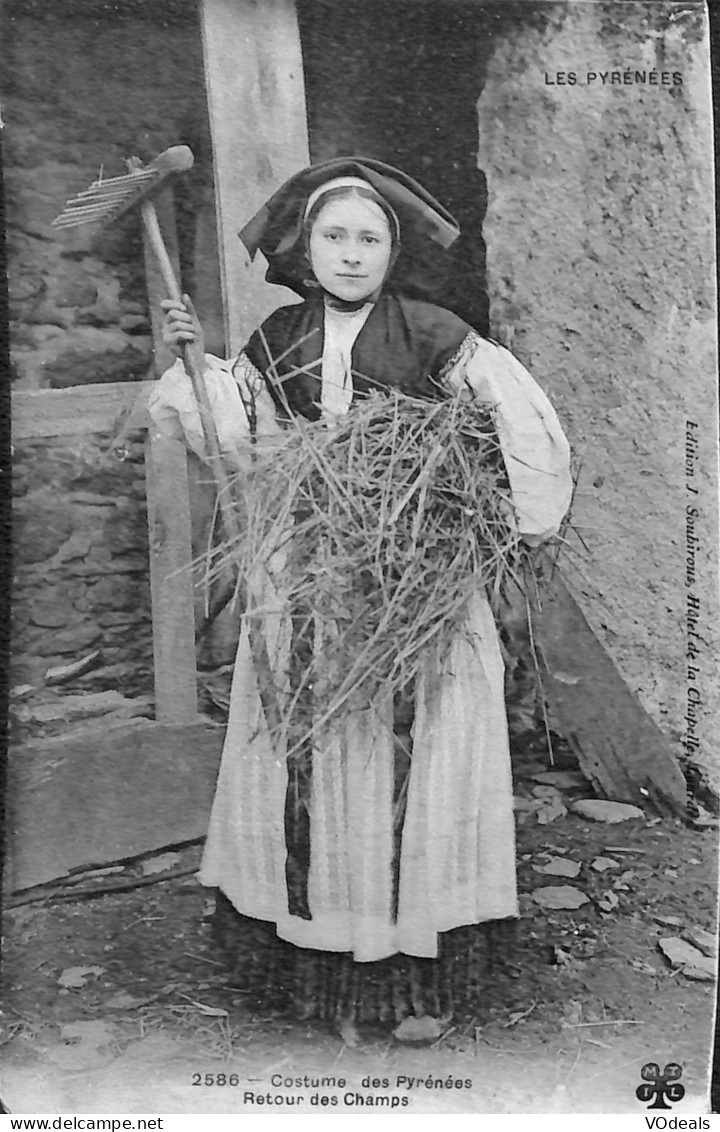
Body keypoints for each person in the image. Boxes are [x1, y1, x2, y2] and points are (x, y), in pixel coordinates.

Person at [148, 157, 572, 1027]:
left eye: (367, 239)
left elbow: (521, 422)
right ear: (304, 248)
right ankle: (321, 965)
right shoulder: (277, 338)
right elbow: (246, 447)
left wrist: (512, 525)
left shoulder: (437, 334)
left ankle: (417, 970)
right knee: (317, 757)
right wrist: (194, 366)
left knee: (420, 755)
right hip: (309, 584)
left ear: (392, 250)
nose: (349, 255)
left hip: (417, 585)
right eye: (332, 237)